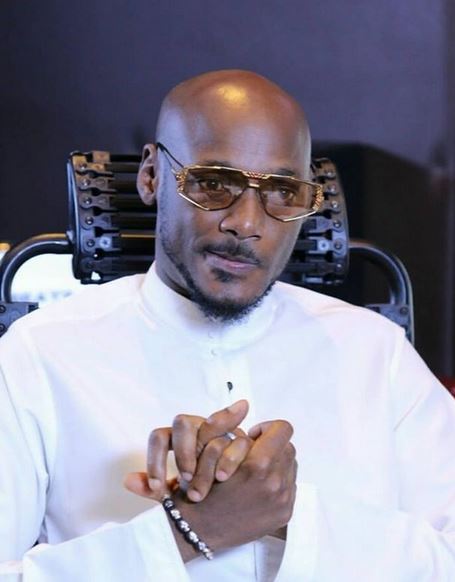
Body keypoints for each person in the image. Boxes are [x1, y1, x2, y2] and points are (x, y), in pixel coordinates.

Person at [0, 70, 454, 581]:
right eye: (214, 184)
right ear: (151, 176)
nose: (247, 223)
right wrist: (187, 532)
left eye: (282, 191)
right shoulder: (39, 355)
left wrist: (289, 514)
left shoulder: (376, 352)